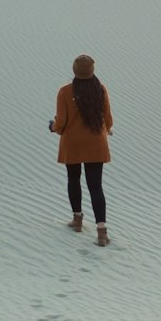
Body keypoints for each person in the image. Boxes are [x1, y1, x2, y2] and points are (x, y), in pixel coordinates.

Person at [49, 54, 113, 245]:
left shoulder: (64, 91)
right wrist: (107, 129)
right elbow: (108, 118)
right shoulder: (100, 90)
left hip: (73, 143)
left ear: (74, 71)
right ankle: (101, 231)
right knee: (95, 186)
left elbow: (61, 122)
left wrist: (53, 127)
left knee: (73, 178)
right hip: (96, 144)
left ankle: (77, 220)